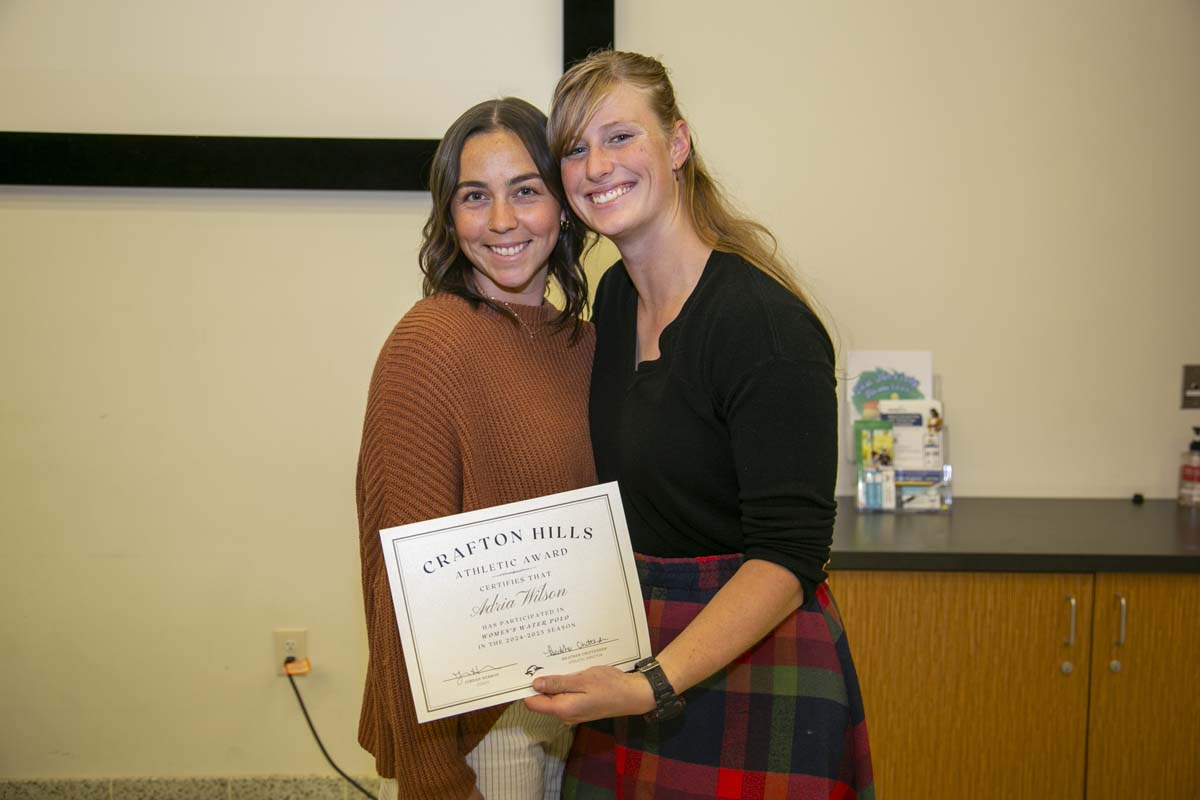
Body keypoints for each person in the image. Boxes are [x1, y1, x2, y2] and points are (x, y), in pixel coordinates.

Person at [523, 51, 874, 798]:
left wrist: (650, 683)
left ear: (676, 145)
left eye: (620, 137)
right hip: (638, 645)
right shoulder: (615, 301)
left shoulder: (763, 325)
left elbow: (789, 557)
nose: (596, 166)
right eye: (575, 149)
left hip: (750, 661)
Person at [355, 97, 595, 800]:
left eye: (525, 191)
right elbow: (399, 580)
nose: (501, 221)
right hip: (486, 728)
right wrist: (433, 770)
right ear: (448, 216)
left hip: (584, 703)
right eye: (475, 197)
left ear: (562, 205)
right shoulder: (429, 344)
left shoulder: (581, 346)